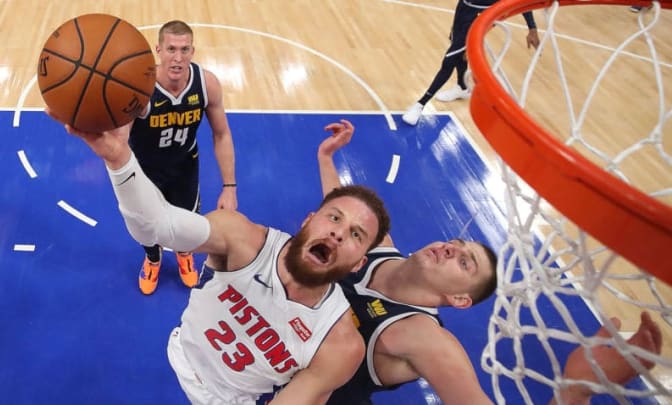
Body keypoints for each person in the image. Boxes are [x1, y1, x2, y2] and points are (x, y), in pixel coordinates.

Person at [48, 112, 392, 404]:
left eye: (356, 235)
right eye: (333, 218)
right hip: (178, 352)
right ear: (307, 220)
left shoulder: (340, 344)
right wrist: (119, 160)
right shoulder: (242, 237)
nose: (338, 233)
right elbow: (156, 226)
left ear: (359, 263)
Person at [316, 122, 662, 404]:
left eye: (465, 264)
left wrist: (575, 389)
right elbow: (342, 211)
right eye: (456, 245)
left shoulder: (426, 341)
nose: (452, 249)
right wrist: (327, 158)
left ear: (459, 300)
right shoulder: (378, 248)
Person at [130, 20, 238, 295]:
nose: (177, 58)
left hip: (184, 167)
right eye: (171, 49)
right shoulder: (140, 88)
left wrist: (229, 187)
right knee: (146, 224)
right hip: (144, 170)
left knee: (187, 222)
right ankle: (153, 259)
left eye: (184, 49)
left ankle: (183, 254)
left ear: (193, 50)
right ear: (158, 50)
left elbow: (222, 134)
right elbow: (119, 139)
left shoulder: (206, 84)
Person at [402, 1, 540, 126]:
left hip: (480, 15)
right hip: (463, 8)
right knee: (458, 52)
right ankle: (462, 87)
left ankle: (420, 104)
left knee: (449, 60)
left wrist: (532, 28)